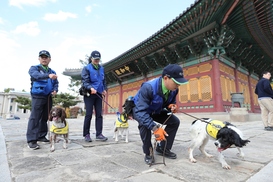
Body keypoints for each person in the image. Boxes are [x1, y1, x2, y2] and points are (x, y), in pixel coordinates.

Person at [132, 64, 188, 164]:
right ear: (166, 78)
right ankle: (148, 152)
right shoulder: (148, 87)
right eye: (176, 82)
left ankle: (162, 148)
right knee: (145, 126)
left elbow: (169, 102)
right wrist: (155, 128)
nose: (178, 85)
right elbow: (140, 112)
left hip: (156, 110)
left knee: (174, 122)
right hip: (141, 111)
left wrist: (171, 106)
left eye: (180, 82)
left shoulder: (174, 89)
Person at [26, 50, 59, 149]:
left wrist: (55, 90)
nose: (44, 59)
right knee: (35, 117)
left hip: (48, 96)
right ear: (39, 58)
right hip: (37, 96)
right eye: (42, 57)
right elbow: (36, 76)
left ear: (50, 59)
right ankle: (31, 139)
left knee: (45, 117)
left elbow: (56, 82)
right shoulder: (34, 68)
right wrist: (47, 76)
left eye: (46, 57)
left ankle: (41, 135)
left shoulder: (53, 72)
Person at [81, 50, 108, 142]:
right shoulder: (86, 68)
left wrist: (104, 89)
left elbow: (104, 80)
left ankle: (99, 134)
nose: (96, 60)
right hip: (89, 94)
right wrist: (90, 88)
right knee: (88, 114)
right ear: (91, 58)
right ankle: (86, 134)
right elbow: (85, 81)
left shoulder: (102, 68)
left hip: (99, 94)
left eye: (98, 59)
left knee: (99, 114)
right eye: (95, 59)